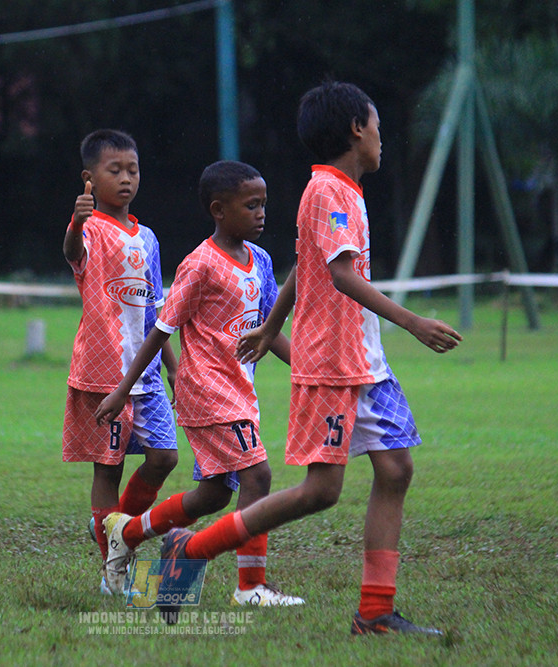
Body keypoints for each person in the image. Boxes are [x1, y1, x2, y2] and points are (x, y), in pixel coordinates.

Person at [154, 81, 462, 633]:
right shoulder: (327, 193)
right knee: (321, 492)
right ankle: (193, 550)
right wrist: (413, 321)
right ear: (355, 130)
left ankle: (375, 613)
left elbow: (303, 266)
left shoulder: (342, 190)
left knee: (396, 468)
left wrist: (269, 325)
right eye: (377, 127)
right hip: (334, 363)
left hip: (365, 359)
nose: (380, 139)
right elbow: (340, 274)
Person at [96, 161, 304, 607]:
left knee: (213, 494)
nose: (262, 213)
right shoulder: (200, 264)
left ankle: (126, 531)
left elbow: (269, 332)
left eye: (264, 204)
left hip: (239, 390)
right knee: (259, 476)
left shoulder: (262, 261)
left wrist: (307, 371)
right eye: (251, 205)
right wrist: (121, 390)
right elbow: (160, 329)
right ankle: (250, 588)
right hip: (208, 389)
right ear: (219, 210)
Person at [62, 129, 179, 595]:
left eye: (133, 170)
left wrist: (172, 364)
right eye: (116, 170)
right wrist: (74, 222)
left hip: (146, 372)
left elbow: (156, 311)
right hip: (102, 372)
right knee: (106, 469)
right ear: (90, 177)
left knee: (165, 457)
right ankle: (114, 573)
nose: (127, 178)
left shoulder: (147, 237)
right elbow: (72, 254)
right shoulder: (88, 228)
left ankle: (115, 533)